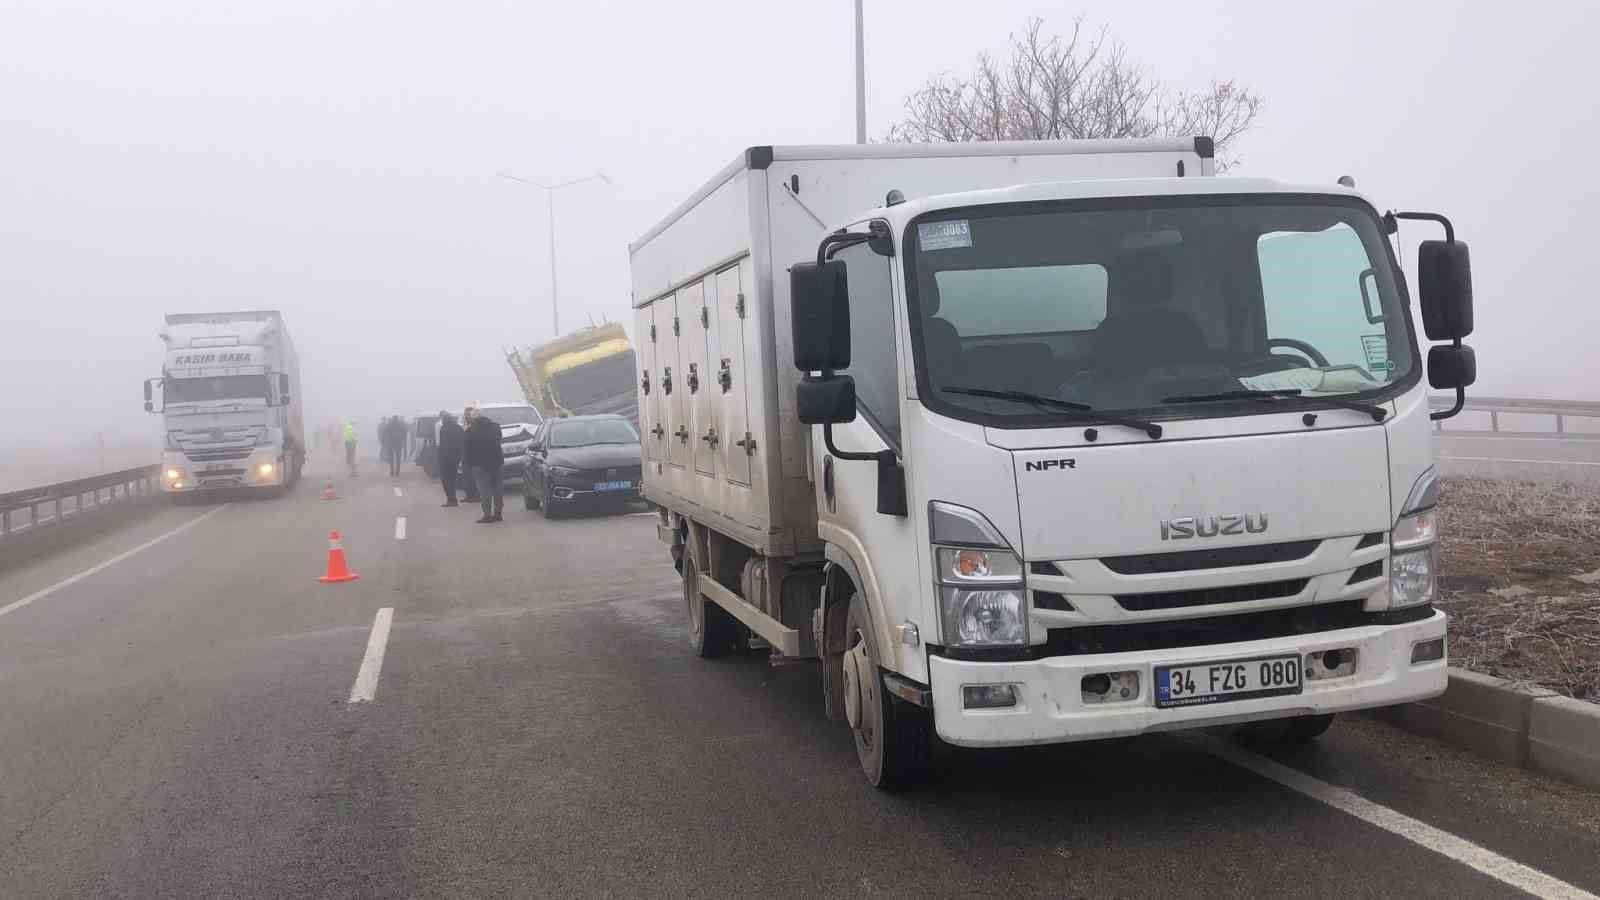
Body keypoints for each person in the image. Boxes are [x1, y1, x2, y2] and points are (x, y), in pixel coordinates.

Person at [462, 404, 504, 523]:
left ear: (472, 418)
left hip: (479, 465)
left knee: (484, 490)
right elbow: (499, 440)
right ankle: (498, 513)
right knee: (498, 489)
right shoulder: (496, 427)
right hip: (497, 462)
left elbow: (467, 450)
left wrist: (469, 465)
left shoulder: (470, 431)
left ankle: (487, 515)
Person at [436, 410, 464, 507]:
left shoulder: (444, 428)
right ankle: (452, 499)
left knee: (446, 480)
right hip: (456, 458)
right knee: (452, 478)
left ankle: (451, 499)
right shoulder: (459, 428)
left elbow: (442, 445)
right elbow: (462, 443)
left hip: (446, 458)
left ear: (444, 419)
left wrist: (440, 457)